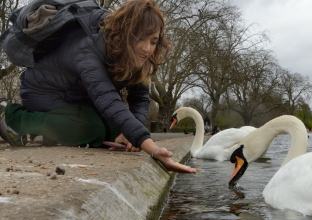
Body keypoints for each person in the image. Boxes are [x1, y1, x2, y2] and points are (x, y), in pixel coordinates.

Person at [0, 0, 196, 174]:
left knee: (118, 131)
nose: (147, 48)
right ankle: (12, 117)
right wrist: (152, 148)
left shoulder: (139, 57)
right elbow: (108, 99)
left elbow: (140, 98)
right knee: (91, 128)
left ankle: (52, 129)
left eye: (153, 41)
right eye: (140, 39)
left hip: (79, 96)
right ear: (126, 32)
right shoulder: (89, 48)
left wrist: (131, 136)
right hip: (43, 91)